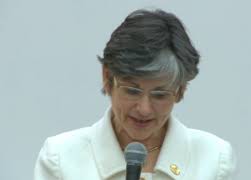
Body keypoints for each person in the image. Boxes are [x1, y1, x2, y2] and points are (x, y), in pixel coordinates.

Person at [34, 9, 236, 180]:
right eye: (132, 91)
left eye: (160, 95)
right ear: (107, 77)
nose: (144, 109)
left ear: (180, 90)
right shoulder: (60, 158)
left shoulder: (215, 159)